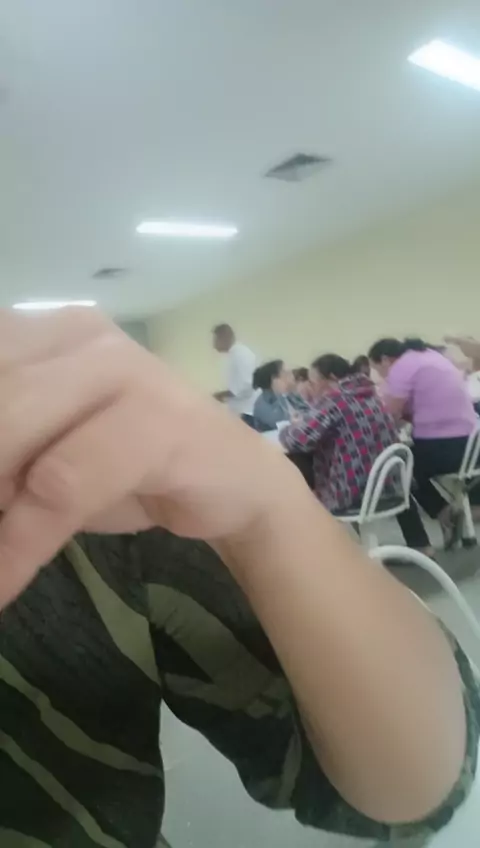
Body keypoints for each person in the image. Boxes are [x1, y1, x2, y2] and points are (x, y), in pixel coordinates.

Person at [0, 308, 477, 848]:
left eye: (300, 377)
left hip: (348, 493)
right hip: (396, 479)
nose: (294, 381)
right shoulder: (354, 394)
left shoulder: (75, 503)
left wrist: (267, 514)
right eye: (289, 377)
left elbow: (409, 777)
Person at [279, 354, 432, 553]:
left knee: (297, 465)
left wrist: (286, 430)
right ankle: (421, 544)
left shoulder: (335, 401)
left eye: (314, 382)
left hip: (356, 492)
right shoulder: (371, 395)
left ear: (332, 378)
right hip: (393, 486)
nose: (312, 388)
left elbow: (298, 439)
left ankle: (324, 552)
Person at [368, 337, 478, 547]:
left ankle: (439, 516)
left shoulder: (402, 366)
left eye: (378, 369)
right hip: (471, 446)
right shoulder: (433, 357)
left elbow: (389, 415)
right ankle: (446, 514)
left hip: (446, 448)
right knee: (410, 459)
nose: (382, 376)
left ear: (385, 360)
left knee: (398, 468)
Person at [212, 323, 257, 425]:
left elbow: (247, 386)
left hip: (246, 413)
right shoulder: (234, 355)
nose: (214, 345)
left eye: (216, 340)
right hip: (241, 412)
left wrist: (222, 395)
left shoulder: (240, 354)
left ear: (224, 337)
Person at [252, 360, 291, 431]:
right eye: (285, 375)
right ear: (274, 379)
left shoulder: (280, 397)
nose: (288, 380)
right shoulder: (262, 405)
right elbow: (279, 428)